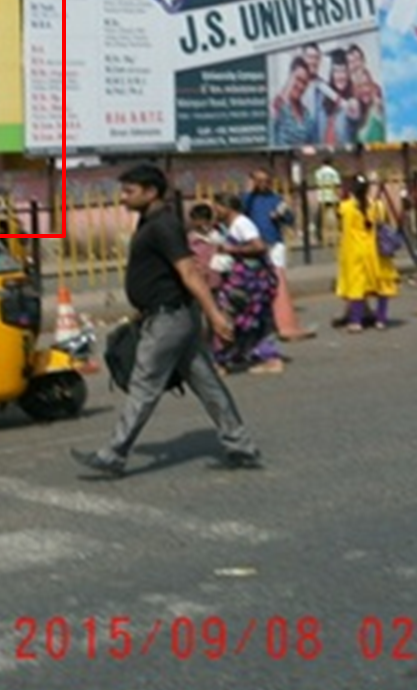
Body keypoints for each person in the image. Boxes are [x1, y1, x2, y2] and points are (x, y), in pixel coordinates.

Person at [70, 164, 262, 478]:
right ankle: (240, 444)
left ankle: (114, 453)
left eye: (130, 191)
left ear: (151, 192)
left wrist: (215, 315)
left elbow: (188, 272)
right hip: (169, 314)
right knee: (205, 381)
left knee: (145, 383)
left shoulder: (163, 225)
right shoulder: (150, 221)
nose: (123, 198)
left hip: (169, 318)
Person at [210, 194, 286, 374]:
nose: (215, 211)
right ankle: (239, 355)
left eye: (217, 207)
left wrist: (231, 249)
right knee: (248, 317)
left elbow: (259, 246)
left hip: (250, 280)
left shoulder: (242, 224)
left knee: (229, 313)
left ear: (227, 207)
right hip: (242, 277)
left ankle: (226, 359)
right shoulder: (230, 226)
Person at [334, 174, 398, 330]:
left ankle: (356, 321)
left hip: (355, 252)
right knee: (382, 284)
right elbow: (384, 222)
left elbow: (339, 224)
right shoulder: (377, 206)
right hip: (376, 251)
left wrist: (342, 197)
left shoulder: (346, 207)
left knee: (357, 285)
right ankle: (381, 319)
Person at [270, 56, 326, 148]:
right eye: (298, 79)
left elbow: (313, 147)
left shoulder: (307, 116)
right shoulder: (278, 107)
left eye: (304, 83)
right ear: (290, 76)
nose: (300, 86)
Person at [312, 156, 342, 246]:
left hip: (322, 197)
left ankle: (319, 236)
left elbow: (317, 183)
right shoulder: (334, 172)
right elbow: (337, 185)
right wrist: (338, 197)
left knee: (319, 218)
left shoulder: (318, 172)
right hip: (333, 197)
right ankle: (340, 233)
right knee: (339, 215)